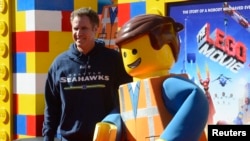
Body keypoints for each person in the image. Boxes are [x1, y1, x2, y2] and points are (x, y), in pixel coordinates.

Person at [94, 14, 209, 141]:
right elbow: (123, 113)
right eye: (125, 53)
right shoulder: (129, 89)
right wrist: (109, 125)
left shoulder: (168, 85)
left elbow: (197, 101)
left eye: (134, 51)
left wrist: (171, 137)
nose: (129, 57)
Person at [42, 7, 132, 141]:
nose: (78, 33)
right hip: (68, 138)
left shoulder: (113, 60)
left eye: (84, 28)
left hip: (106, 138)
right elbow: (51, 107)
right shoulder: (59, 64)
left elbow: (128, 98)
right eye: (75, 28)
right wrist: (47, 137)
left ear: (95, 29)